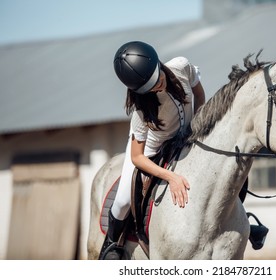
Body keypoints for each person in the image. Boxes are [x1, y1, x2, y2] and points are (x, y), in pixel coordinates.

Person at [99, 41, 267, 260]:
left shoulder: (181, 66)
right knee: (122, 201)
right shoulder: (141, 110)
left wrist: (198, 127)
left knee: (228, 168)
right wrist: (171, 177)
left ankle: (237, 222)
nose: (158, 86)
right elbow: (137, 157)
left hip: (186, 134)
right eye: (150, 87)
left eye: (157, 78)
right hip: (150, 150)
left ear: (158, 63)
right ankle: (113, 246)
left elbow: (199, 95)